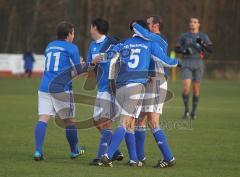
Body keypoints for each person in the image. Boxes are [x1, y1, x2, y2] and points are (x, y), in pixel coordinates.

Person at [100, 20, 180, 167]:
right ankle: (132, 157)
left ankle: (146, 158)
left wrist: (110, 79)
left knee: (143, 121)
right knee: (136, 121)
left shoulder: (137, 41)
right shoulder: (149, 43)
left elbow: (109, 56)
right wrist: (178, 62)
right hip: (140, 84)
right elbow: (168, 61)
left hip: (136, 83)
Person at [34, 21, 85, 161]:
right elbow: (79, 71)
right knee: (69, 121)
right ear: (68, 34)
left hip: (44, 87)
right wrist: (82, 64)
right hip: (61, 88)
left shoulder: (50, 46)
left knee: (43, 118)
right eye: (73, 33)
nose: (74, 35)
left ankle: (38, 151)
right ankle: (74, 150)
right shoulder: (72, 47)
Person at [132, 15, 176, 168]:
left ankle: (169, 158)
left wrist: (134, 24)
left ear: (156, 25)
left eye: (148, 23)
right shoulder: (149, 39)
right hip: (148, 81)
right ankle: (139, 157)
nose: (146, 26)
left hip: (157, 80)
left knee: (153, 120)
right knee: (140, 120)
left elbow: (144, 34)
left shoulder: (158, 39)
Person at [86, 18, 123, 166]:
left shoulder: (113, 43)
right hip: (100, 88)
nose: (90, 29)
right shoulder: (92, 46)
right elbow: (89, 68)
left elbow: (122, 62)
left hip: (111, 88)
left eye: (91, 27)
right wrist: (91, 63)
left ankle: (101, 158)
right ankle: (115, 151)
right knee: (96, 120)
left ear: (95, 28)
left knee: (106, 122)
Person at [175, 17, 213, 119]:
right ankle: (186, 111)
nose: (193, 24)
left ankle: (193, 112)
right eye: (191, 22)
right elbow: (176, 49)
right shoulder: (184, 36)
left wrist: (202, 44)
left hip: (198, 63)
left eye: (195, 22)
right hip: (187, 62)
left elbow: (210, 49)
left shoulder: (203, 36)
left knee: (196, 90)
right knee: (186, 88)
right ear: (189, 24)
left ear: (198, 24)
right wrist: (184, 51)